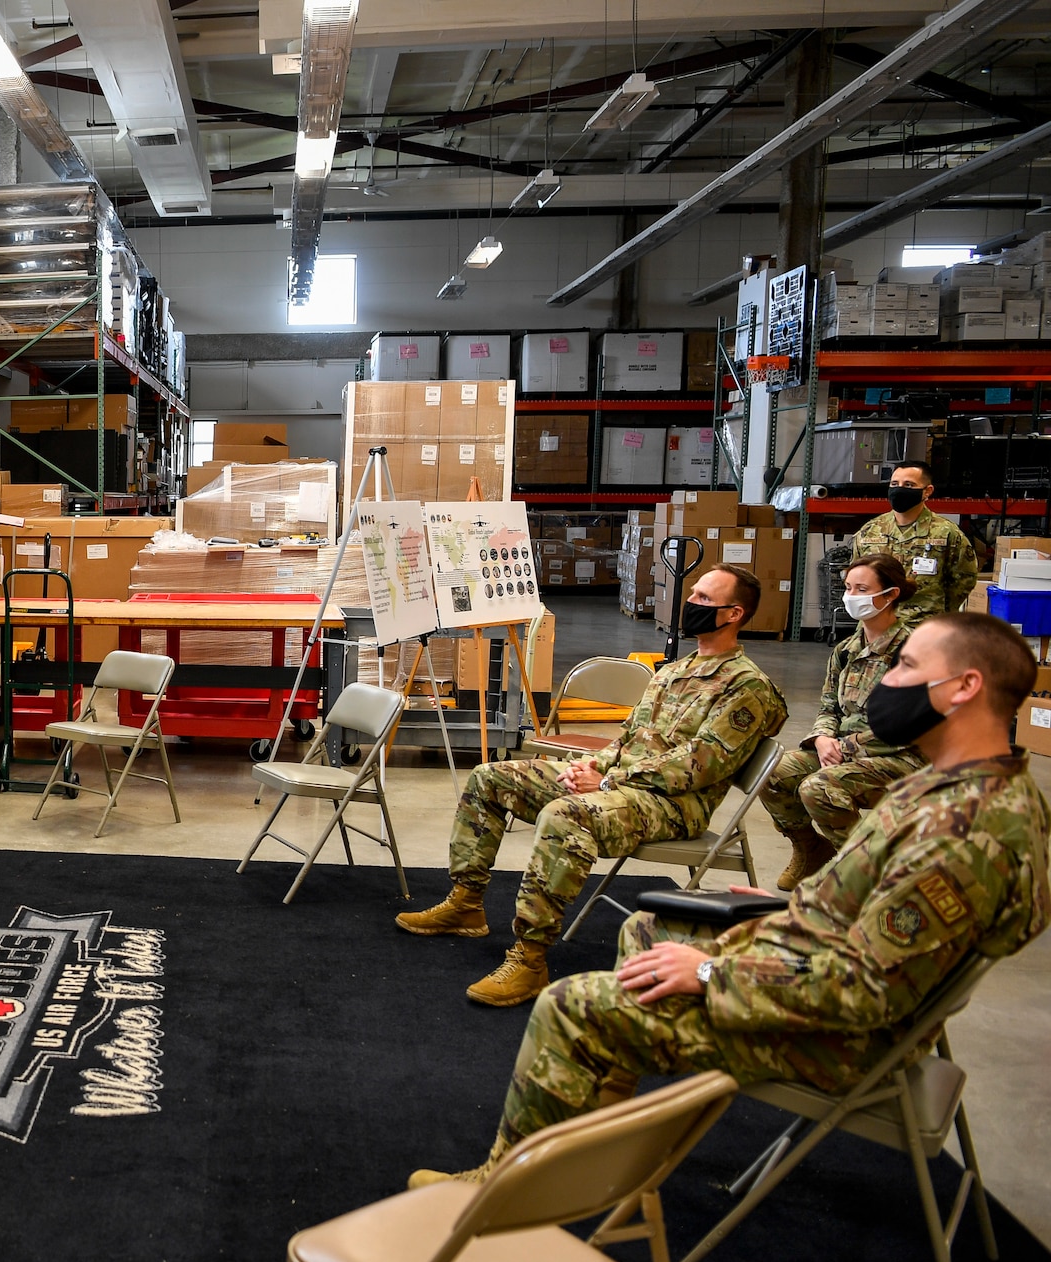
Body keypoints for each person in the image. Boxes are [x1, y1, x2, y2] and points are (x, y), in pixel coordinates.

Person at [410, 611, 1051, 1188]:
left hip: (839, 1040)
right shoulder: (950, 790)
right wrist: (789, 911)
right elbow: (869, 918)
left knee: (571, 1006)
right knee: (653, 927)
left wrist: (714, 970)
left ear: (965, 687)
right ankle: (602, 1143)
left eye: (908, 666)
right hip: (814, 962)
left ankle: (510, 1187)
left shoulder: (964, 834)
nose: (887, 680)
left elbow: (866, 992)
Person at [396, 563, 788, 1007]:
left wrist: (608, 778)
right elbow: (628, 738)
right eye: (693, 593)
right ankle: (466, 902)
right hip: (623, 787)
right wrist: (588, 767)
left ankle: (529, 958)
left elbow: (701, 766)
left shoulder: (748, 688)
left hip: (675, 805)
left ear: (734, 614)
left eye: (702, 598)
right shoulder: (675, 670)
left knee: (564, 817)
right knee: (490, 777)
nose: (690, 603)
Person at [763, 554, 925, 890]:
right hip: (844, 752)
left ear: (890, 595)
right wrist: (823, 739)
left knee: (819, 788)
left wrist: (844, 746)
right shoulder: (846, 650)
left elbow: (911, 724)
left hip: (901, 758)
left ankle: (866, 873)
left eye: (862, 588)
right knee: (773, 774)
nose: (850, 596)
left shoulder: (915, 650)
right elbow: (828, 706)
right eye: (849, 587)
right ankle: (810, 851)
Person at [851, 460, 978, 624]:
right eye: (895, 484)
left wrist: (941, 611)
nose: (899, 489)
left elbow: (964, 579)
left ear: (927, 491)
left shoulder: (946, 533)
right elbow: (856, 576)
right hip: (878, 625)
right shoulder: (870, 531)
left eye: (909, 485)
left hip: (925, 627)